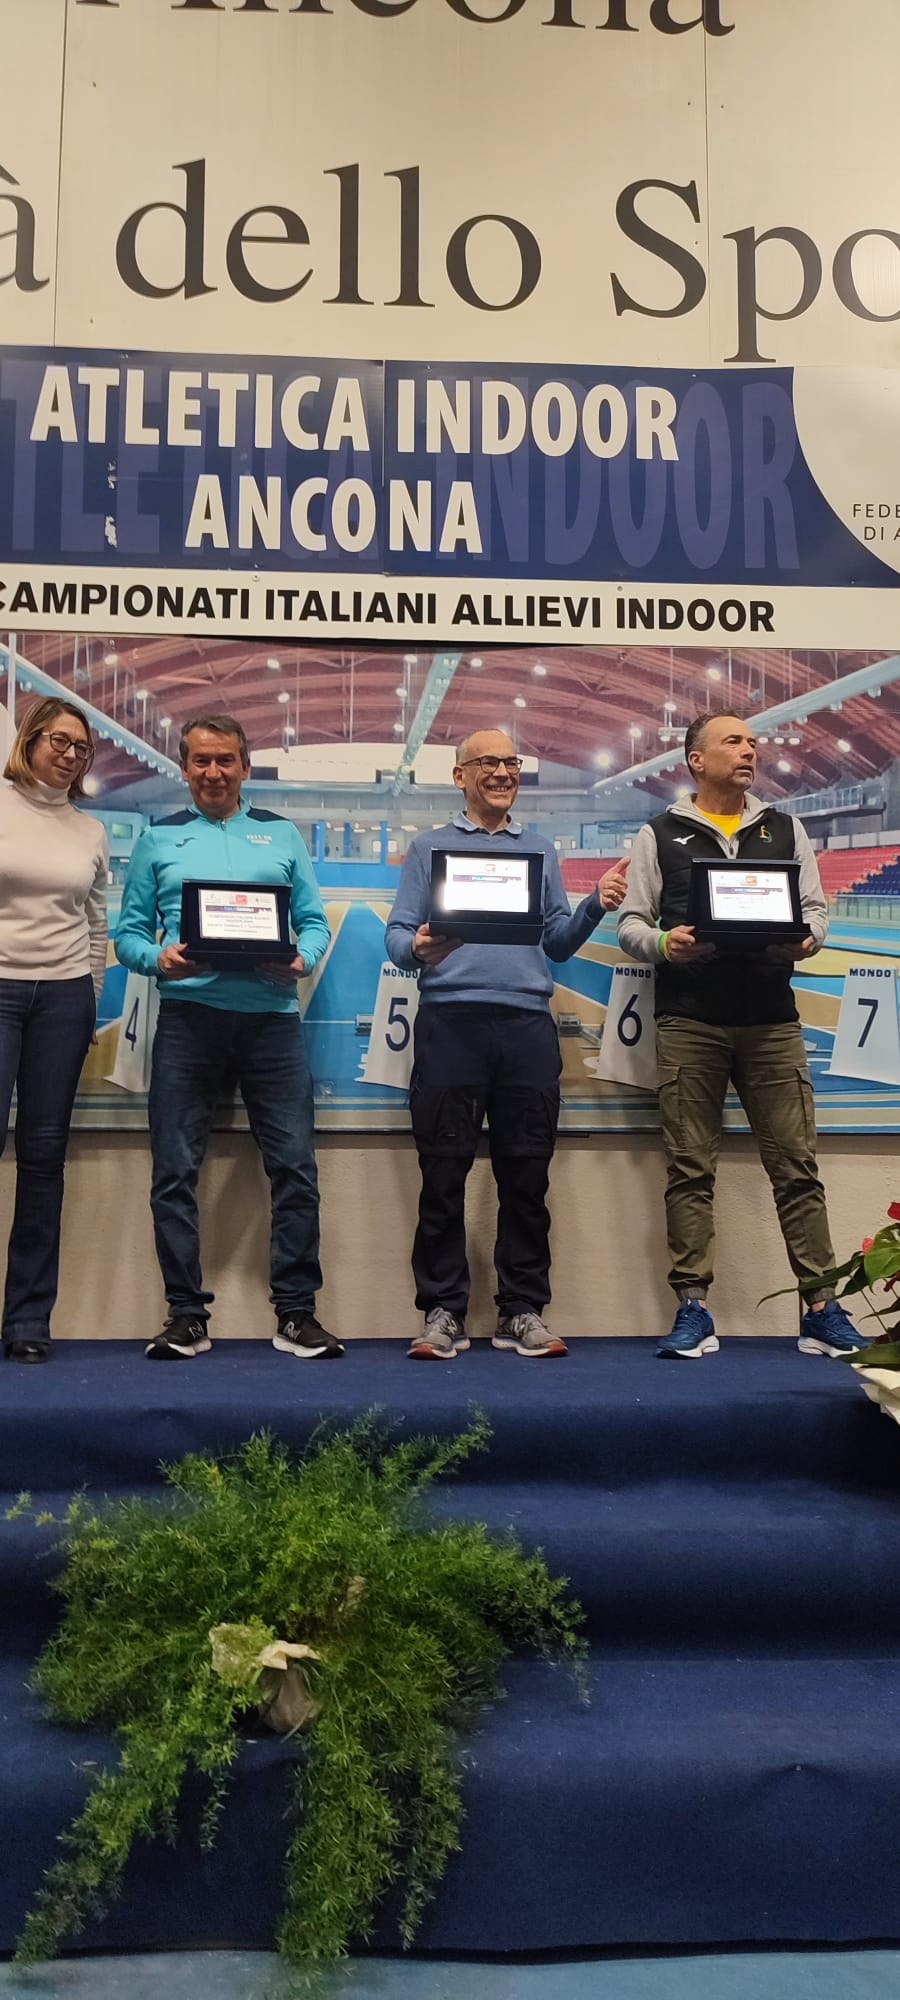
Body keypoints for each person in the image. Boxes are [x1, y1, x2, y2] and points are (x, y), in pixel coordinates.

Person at [617, 710, 867, 1360]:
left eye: (753, 742)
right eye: (734, 741)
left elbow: (815, 912)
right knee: (689, 1170)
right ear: (696, 760)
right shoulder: (659, 834)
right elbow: (631, 923)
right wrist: (665, 945)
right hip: (689, 1021)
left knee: (797, 1170)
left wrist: (808, 941)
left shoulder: (785, 828)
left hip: (771, 1022)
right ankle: (693, 1309)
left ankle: (821, 1308)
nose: (750, 749)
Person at [384, 727, 629, 1359]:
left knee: (527, 1178)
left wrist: (595, 906)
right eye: (488, 762)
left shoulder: (539, 850)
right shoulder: (429, 848)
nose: (502, 772)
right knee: (443, 1176)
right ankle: (442, 1310)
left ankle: (521, 1309)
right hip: (450, 1026)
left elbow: (558, 943)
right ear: (460, 775)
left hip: (525, 1029)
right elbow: (398, 937)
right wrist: (417, 947)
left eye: (511, 762)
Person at [116, 713, 341, 1361]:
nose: (213, 772)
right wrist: (158, 959)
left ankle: (296, 1313)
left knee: (295, 1169)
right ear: (184, 768)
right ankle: (186, 1315)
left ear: (244, 767)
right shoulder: (159, 839)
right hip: (189, 1021)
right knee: (174, 1172)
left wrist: (302, 958)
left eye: (225, 761)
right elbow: (129, 935)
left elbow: (313, 923)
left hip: (272, 1023)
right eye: (201, 761)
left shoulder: (281, 834)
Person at [0, 698, 108, 1363]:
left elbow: (95, 924)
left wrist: (89, 1002)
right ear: (30, 740)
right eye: (59, 741)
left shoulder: (89, 830)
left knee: (43, 1157)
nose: (70, 755)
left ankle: (27, 1320)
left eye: (81, 747)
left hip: (64, 997)